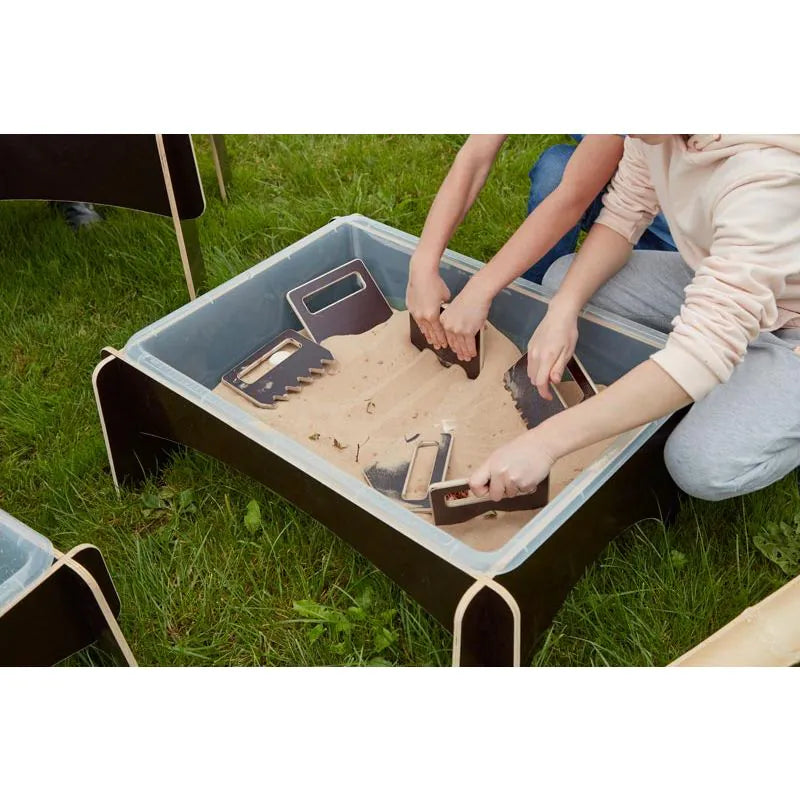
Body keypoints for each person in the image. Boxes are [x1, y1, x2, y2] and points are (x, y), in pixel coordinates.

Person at [469, 134, 800, 504]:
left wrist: (544, 444)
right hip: (730, 279)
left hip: (792, 325)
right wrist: (564, 308)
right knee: (563, 281)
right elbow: (622, 216)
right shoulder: (658, 126)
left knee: (698, 465)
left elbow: (699, 355)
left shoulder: (768, 174)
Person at [406, 134, 675, 363]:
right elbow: (475, 157)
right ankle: (531, 309)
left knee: (556, 173)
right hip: (627, 205)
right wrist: (423, 263)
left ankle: (541, 315)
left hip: (675, 234)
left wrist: (480, 289)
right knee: (557, 167)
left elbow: (573, 197)